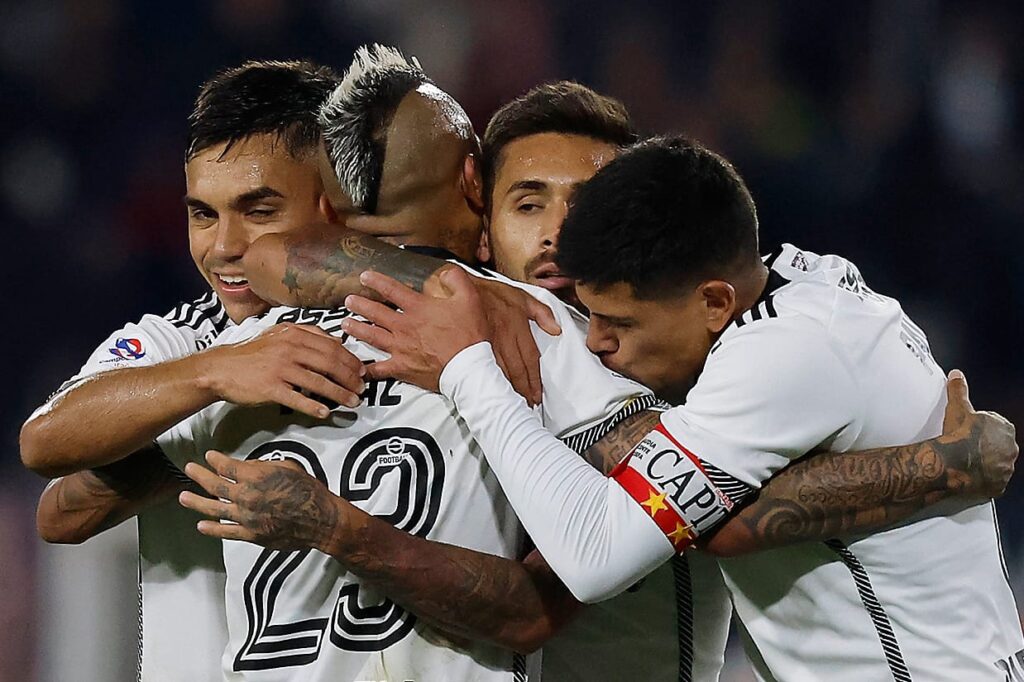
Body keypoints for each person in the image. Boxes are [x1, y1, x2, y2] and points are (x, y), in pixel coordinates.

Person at [199, 52, 1019, 680]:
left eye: (588, 207)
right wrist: (933, 468)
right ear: (482, 218)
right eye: (530, 203)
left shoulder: (646, 348)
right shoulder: (526, 316)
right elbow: (280, 255)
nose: (561, 232)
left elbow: (693, 521)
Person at [20, 59, 362, 681]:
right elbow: (45, 450)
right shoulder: (179, 341)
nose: (223, 246)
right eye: (203, 214)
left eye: (259, 211)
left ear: (334, 205)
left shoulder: (404, 330)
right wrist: (218, 379)